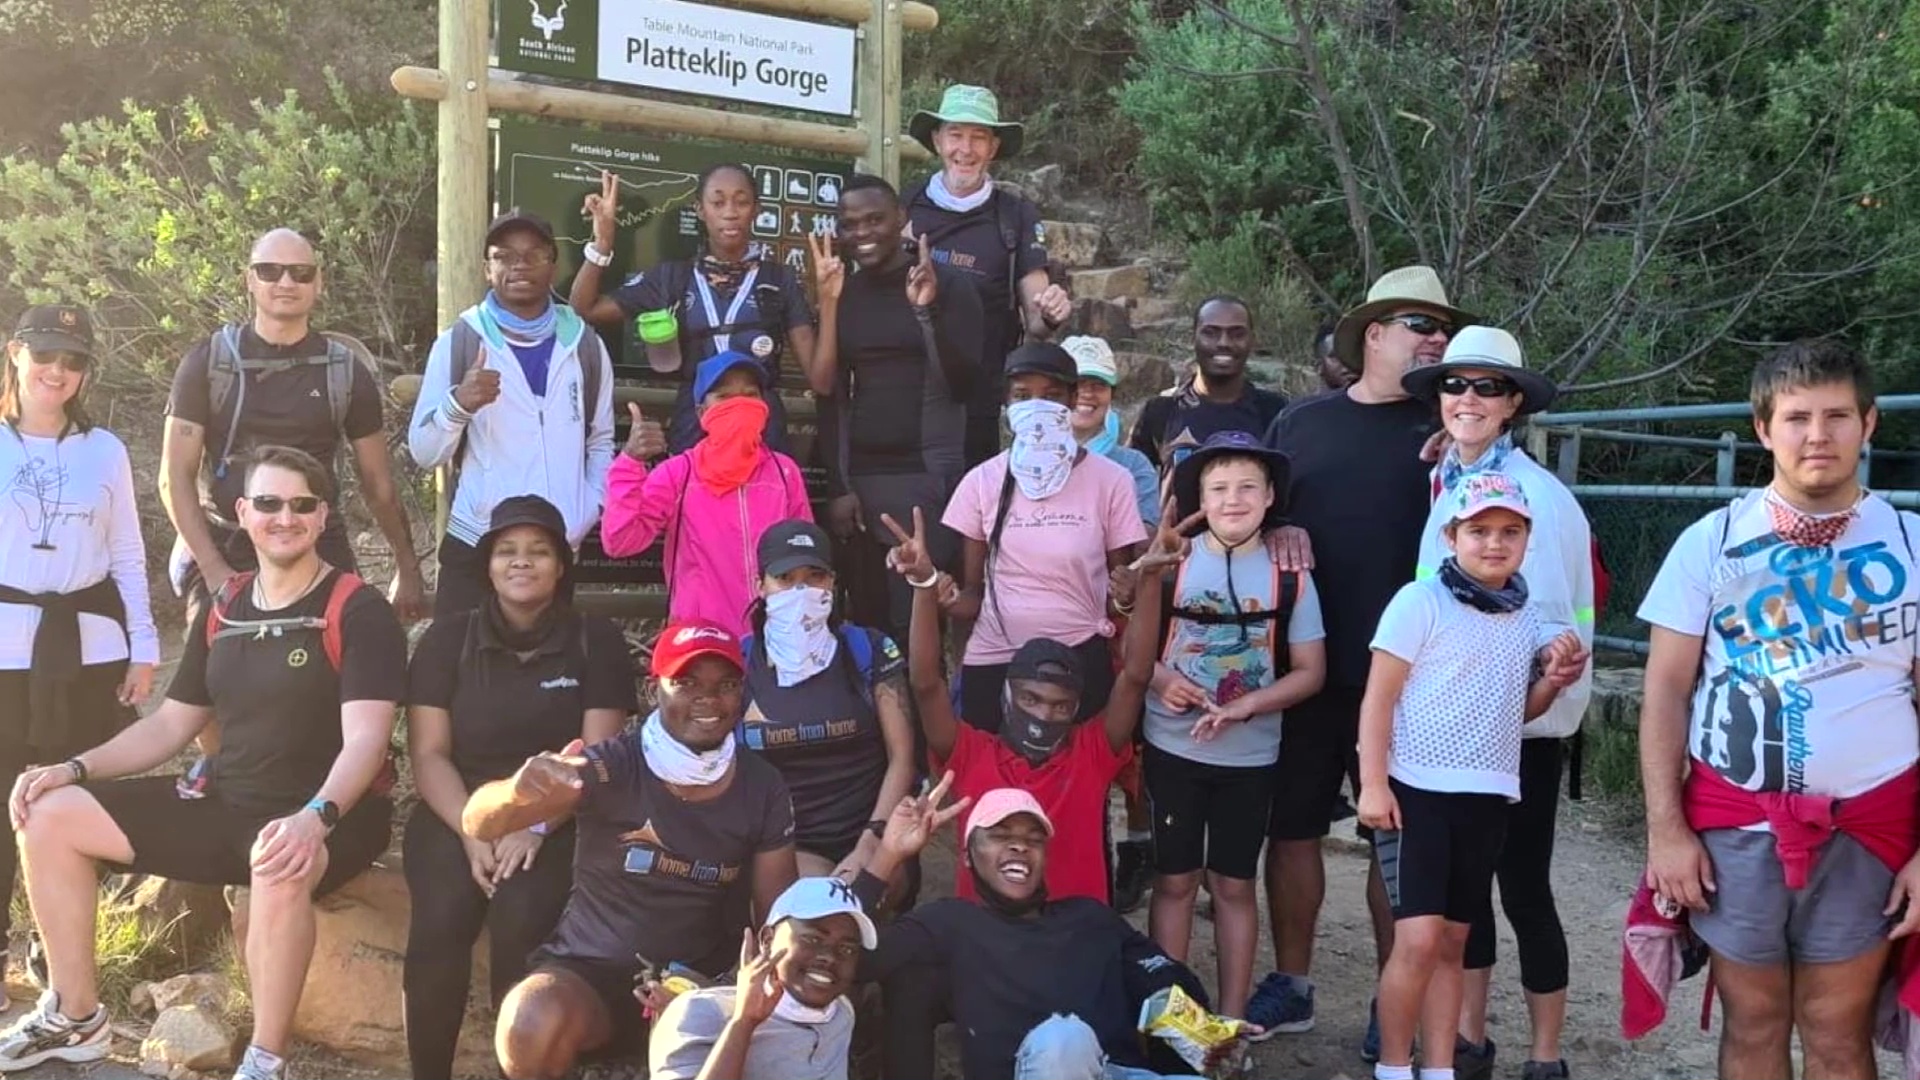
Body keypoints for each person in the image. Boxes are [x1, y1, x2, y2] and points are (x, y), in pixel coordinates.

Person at [3, 445, 404, 1080]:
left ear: (322, 516)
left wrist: (314, 818)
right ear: (243, 513)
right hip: (230, 803)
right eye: (268, 503)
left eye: (302, 505)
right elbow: (169, 724)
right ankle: (76, 1018)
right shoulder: (226, 607)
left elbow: (367, 742)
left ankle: (267, 1061)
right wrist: (71, 769)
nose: (284, 517)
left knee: (276, 859)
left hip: (332, 811)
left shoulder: (357, 609)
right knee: (48, 812)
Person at [1638, 339, 1920, 1080]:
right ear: (1765, 430)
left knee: (1836, 1028)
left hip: (1873, 822)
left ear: (1869, 424)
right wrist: (1666, 832)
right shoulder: (1711, 542)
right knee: (1754, 1024)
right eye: (1796, 418)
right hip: (1736, 820)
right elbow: (1666, 690)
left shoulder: (1913, 545)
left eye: (1836, 416)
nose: (1817, 435)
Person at [1258, 265, 1473, 1040]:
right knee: (1292, 830)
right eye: (1421, 323)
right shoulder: (1300, 424)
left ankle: (1397, 1006)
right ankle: (1292, 983)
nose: (1436, 338)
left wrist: (1468, 445)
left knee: (1400, 840)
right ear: (1373, 335)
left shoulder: (1456, 436)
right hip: (1310, 669)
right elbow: (1251, 516)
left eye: (1443, 328)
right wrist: (1272, 527)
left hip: (1418, 680)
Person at [461, 621, 799, 1080]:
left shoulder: (762, 787)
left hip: (699, 979)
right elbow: (478, 821)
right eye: (686, 682)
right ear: (652, 687)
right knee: (530, 1019)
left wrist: (716, 991)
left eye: (725, 685)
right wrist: (516, 793)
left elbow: (776, 918)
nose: (708, 698)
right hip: (589, 972)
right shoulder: (614, 763)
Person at [1403, 327, 1591, 1080]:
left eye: (1487, 387)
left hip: (1519, 730)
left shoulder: (1533, 501)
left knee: (1521, 888)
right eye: (1455, 385)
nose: (1468, 399)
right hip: (1462, 730)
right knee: (1467, 894)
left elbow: (1544, 627)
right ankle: (1471, 1039)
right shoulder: (1454, 480)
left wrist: (1517, 706)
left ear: (1513, 402)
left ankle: (1545, 1055)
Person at [1357, 472, 1586, 1080]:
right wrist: (1373, 783)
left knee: (1456, 941)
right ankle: (1392, 1066)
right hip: (1417, 791)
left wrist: (1550, 685)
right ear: (1451, 536)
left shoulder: (1524, 614)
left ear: (1527, 539)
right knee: (1418, 939)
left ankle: (1439, 1067)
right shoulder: (1419, 601)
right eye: (1479, 530)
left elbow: (1518, 711)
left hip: (1487, 794)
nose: (1494, 543)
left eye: (1510, 531)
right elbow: (1378, 699)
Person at [401, 495, 634, 1080]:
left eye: (538, 551)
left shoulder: (594, 641)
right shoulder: (446, 640)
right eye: (507, 551)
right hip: (456, 810)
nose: (521, 562)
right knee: (441, 919)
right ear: (487, 566)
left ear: (561, 565)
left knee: (522, 920)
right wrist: (473, 828)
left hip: (556, 817)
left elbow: (595, 758)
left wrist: (534, 824)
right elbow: (427, 754)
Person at [849, 776, 1250, 1080]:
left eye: (1033, 839)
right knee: (1065, 1041)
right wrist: (887, 855)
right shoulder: (949, 923)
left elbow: (1163, 979)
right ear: (969, 858)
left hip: (1121, 1072)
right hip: (1045, 1065)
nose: (1019, 846)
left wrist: (1207, 1034)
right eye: (1000, 835)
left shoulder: (1090, 918)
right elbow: (852, 957)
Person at [884, 499, 1170, 905]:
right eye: (1030, 699)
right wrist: (924, 587)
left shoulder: (1090, 753)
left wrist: (1152, 578)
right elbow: (926, 683)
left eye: (1059, 706)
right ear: (1006, 697)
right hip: (991, 943)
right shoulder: (970, 754)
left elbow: (1136, 677)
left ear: (1076, 710)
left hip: (1073, 938)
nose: (1042, 715)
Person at [0, 305, 159, 997]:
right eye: (45, 354)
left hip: (90, 646)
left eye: (73, 360)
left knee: (70, 796)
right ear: (15, 352)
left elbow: (126, 551)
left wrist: (144, 644)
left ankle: (58, 954)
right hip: (6, 645)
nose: (56, 371)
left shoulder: (106, 451)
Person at [1146, 432, 1327, 1025]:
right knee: (1173, 882)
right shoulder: (1170, 561)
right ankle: (1174, 1023)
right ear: (1199, 494)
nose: (1232, 500)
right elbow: (1127, 645)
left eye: (1248, 486)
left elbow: (1309, 671)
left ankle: (1228, 1024)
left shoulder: (1290, 573)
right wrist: (1158, 680)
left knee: (1233, 886)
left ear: (1272, 496)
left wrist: (1251, 705)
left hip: (1250, 757)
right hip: (1171, 747)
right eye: (1218, 487)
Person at [160, 229, 425, 621]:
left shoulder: (345, 372)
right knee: (213, 670)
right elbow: (174, 478)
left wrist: (407, 567)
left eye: (300, 273)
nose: (286, 283)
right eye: (270, 271)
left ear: (318, 283)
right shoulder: (209, 363)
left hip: (316, 538)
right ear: (250, 280)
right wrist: (216, 573)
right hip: (229, 538)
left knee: (345, 657)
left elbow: (379, 485)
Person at [407, 211, 617, 617]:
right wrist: (459, 404)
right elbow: (423, 451)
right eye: (504, 256)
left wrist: (587, 508)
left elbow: (600, 439)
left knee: (544, 672)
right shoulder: (460, 341)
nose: (519, 265)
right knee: (461, 671)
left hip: (553, 548)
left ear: (552, 266)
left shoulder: (585, 346)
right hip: (476, 542)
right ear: (487, 269)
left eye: (534, 255)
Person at [809, 175, 984, 646]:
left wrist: (926, 313)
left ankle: (923, 719)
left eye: (874, 220)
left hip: (926, 476)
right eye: (849, 225)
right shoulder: (843, 292)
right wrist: (840, 486)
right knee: (867, 625)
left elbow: (963, 383)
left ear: (902, 220)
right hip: (862, 482)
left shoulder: (948, 284)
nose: (861, 233)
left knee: (917, 628)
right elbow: (830, 395)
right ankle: (874, 721)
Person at [941, 342, 1148, 726]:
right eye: (1023, 396)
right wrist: (936, 591)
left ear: (1071, 401)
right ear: (1006, 406)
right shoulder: (981, 482)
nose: (1036, 407)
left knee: (1075, 780)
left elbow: (1116, 597)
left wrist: (1130, 592)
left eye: (1051, 396)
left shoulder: (1112, 482)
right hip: (997, 658)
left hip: (1080, 659)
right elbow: (974, 594)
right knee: (995, 782)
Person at [570, 166, 817, 454]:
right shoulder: (672, 278)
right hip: (696, 429)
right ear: (700, 210)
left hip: (762, 430)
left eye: (742, 201)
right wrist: (603, 242)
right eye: (718, 202)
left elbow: (817, 374)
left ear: (756, 210)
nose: (730, 212)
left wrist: (828, 296)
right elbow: (584, 309)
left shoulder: (780, 279)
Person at [903, 84, 1073, 469]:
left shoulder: (1014, 215)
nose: (966, 149)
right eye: (956, 134)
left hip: (978, 399)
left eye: (978, 137)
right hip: (909, 392)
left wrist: (1050, 311)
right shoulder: (907, 206)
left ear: (993, 148)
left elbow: (1037, 317)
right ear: (936, 139)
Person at [738, 520, 915, 887]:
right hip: (783, 845)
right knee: (813, 906)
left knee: (862, 895)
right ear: (761, 586)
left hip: (873, 834)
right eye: (785, 578)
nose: (801, 590)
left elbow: (903, 757)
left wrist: (871, 843)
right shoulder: (738, 664)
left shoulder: (868, 649)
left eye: (815, 576)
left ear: (832, 581)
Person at [598, 353, 813, 636]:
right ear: (702, 414)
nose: (739, 404)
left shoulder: (784, 473)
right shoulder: (678, 473)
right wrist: (629, 464)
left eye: (750, 395)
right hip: (702, 639)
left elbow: (805, 552)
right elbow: (621, 542)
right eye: (724, 397)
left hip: (776, 633)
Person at [647, 877, 877, 1080]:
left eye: (847, 949)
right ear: (767, 940)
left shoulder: (841, 1014)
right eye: (813, 939)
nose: (829, 957)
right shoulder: (700, 1011)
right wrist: (743, 1023)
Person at [1128, 297, 1288, 477]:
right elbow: (1134, 487)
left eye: (1237, 334)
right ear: (1192, 338)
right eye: (1210, 333)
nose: (1224, 343)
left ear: (1252, 340)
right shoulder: (1160, 411)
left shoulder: (1276, 412)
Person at [1062, 335, 1160, 526]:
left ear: (1111, 394)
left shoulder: (1134, 466)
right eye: (1077, 384)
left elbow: (1143, 537)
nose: (1087, 393)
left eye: (1098, 385)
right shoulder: (1025, 461)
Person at [1313, 319, 1355, 391]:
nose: (1346, 361)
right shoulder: (1310, 402)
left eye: (1353, 353)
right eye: (1336, 356)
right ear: (1319, 366)